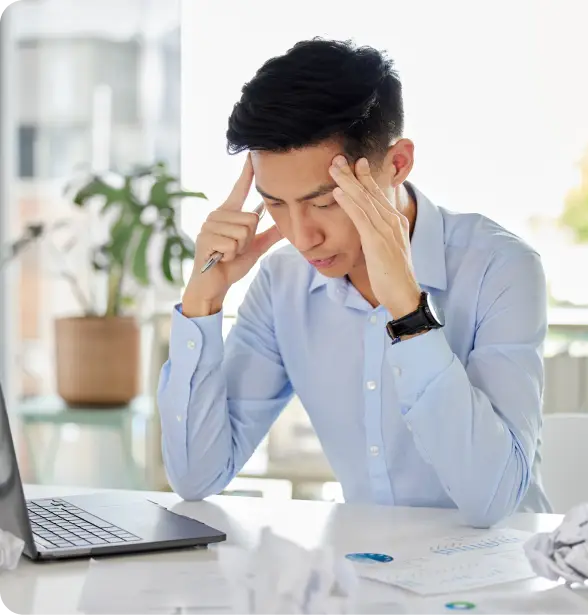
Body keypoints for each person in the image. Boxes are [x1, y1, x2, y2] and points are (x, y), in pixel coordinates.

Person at [158, 38, 551, 528]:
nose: (301, 236)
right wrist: (202, 299)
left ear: (399, 163)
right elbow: (197, 477)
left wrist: (408, 312)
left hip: (501, 580)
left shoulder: (501, 268)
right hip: (367, 576)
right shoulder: (283, 283)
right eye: (276, 203)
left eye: (325, 202)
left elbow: (492, 503)